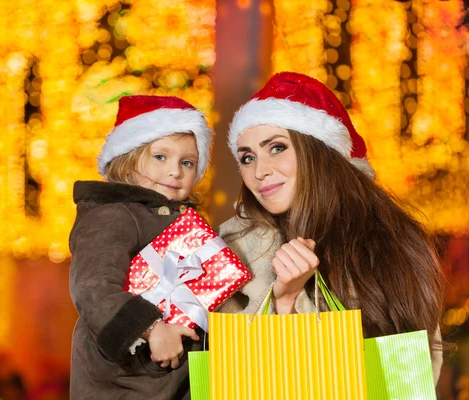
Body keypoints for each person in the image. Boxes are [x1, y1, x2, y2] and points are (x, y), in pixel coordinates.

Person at [218, 71, 444, 382]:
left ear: (318, 152)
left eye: (277, 148)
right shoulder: (237, 248)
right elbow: (237, 373)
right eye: (247, 158)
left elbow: (413, 374)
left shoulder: (390, 242)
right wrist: (285, 301)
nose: (260, 171)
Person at [69, 95, 213, 399]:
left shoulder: (185, 221)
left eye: (187, 163)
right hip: (124, 382)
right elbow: (92, 287)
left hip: (177, 379)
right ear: (128, 160)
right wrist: (150, 328)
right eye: (160, 157)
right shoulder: (113, 215)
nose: (175, 171)